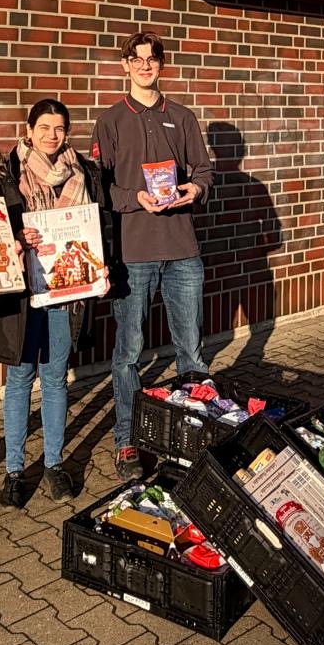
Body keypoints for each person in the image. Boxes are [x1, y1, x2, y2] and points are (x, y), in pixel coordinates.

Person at [92, 31, 213, 479]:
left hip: (182, 249)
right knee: (129, 352)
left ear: (162, 65)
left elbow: (203, 171)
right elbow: (99, 186)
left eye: (152, 59)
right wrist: (133, 199)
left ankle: (195, 434)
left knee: (191, 352)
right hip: (134, 251)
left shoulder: (181, 117)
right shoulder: (110, 121)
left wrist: (194, 189)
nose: (145, 66)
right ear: (125, 65)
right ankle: (127, 440)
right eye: (136, 59)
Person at [0, 98, 106, 508]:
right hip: (20, 295)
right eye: (45, 127)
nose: (53, 136)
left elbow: (97, 227)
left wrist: (100, 271)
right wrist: (17, 240)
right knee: (19, 379)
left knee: (54, 379)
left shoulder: (82, 171)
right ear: (29, 129)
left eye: (60, 128)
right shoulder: (2, 174)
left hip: (64, 292)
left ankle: (53, 464)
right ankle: (14, 471)